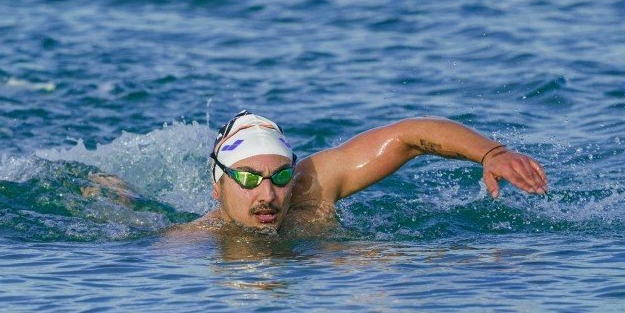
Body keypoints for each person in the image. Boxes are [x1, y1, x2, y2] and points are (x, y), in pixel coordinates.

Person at [183, 110, 548, 234]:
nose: (268, 195)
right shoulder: (193, 243)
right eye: (247, 178)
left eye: (279, 177)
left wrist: (492, 153)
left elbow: (406, 137)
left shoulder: (311, 188)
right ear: (218, 189)